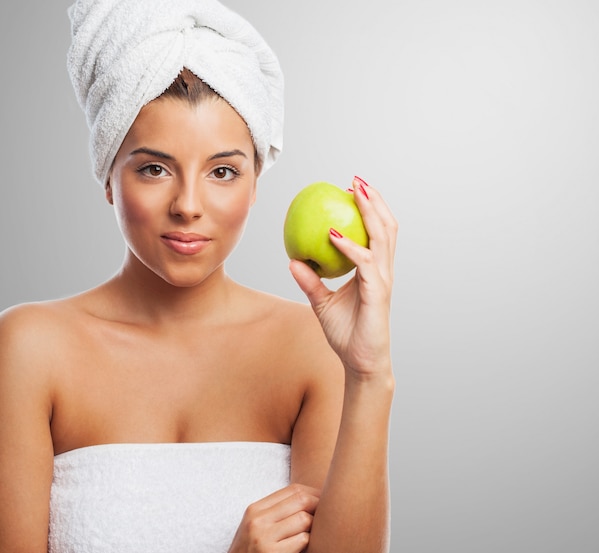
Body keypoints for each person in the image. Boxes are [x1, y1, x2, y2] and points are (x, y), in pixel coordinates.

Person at [0, 1, 397, 552]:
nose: (188, 205)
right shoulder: (28, 349)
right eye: (154, 168)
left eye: (223, 171)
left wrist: (369, 375)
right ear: (108, 176)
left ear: (255, 184)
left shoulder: (312, 349)